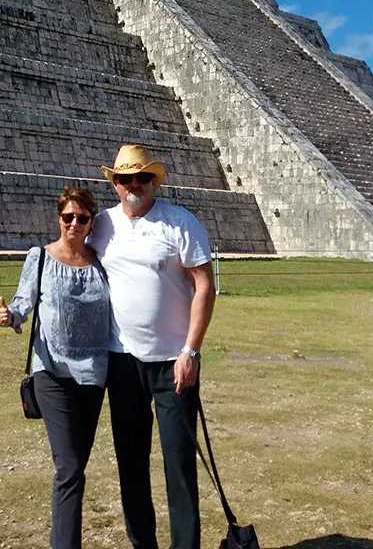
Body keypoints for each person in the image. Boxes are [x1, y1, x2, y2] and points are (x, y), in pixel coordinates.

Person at [87, 144, 216, 549]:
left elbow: (204, 285)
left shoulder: (179, 222)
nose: (134, 185)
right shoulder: (101, 225)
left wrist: (191, 351)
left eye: (141, 177)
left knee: (179, 463)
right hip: (122, 361)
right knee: (130, 461)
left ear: (153, 181)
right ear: (115, 184)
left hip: (173, 362)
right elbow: (70, 258)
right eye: (125, 179)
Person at [0, 186, 110, 549]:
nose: (74, 224)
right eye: (67, 217)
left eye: (82, 218)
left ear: (91, 222)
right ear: (58, 218)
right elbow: (23, 301)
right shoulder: (41, 258)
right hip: (52, 371)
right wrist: (11, 315)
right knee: (70, 467)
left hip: (94, 374)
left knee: (75, 468)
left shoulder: (102, 262)